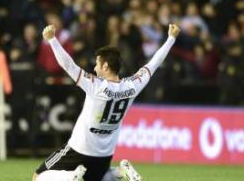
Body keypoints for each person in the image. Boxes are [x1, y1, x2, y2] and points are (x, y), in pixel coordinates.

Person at [33, 23, 181, 181]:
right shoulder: (133, 85)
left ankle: (72, 176)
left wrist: (52, 40)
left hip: (80, 148)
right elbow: (153, 65)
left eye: (97, 63)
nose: (95, 68)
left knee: (38, 176)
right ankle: (118, 172)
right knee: (100, 178)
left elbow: (68, 65)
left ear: (105, 65)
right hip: (105, 153)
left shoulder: (95, 85)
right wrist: (171, 39)